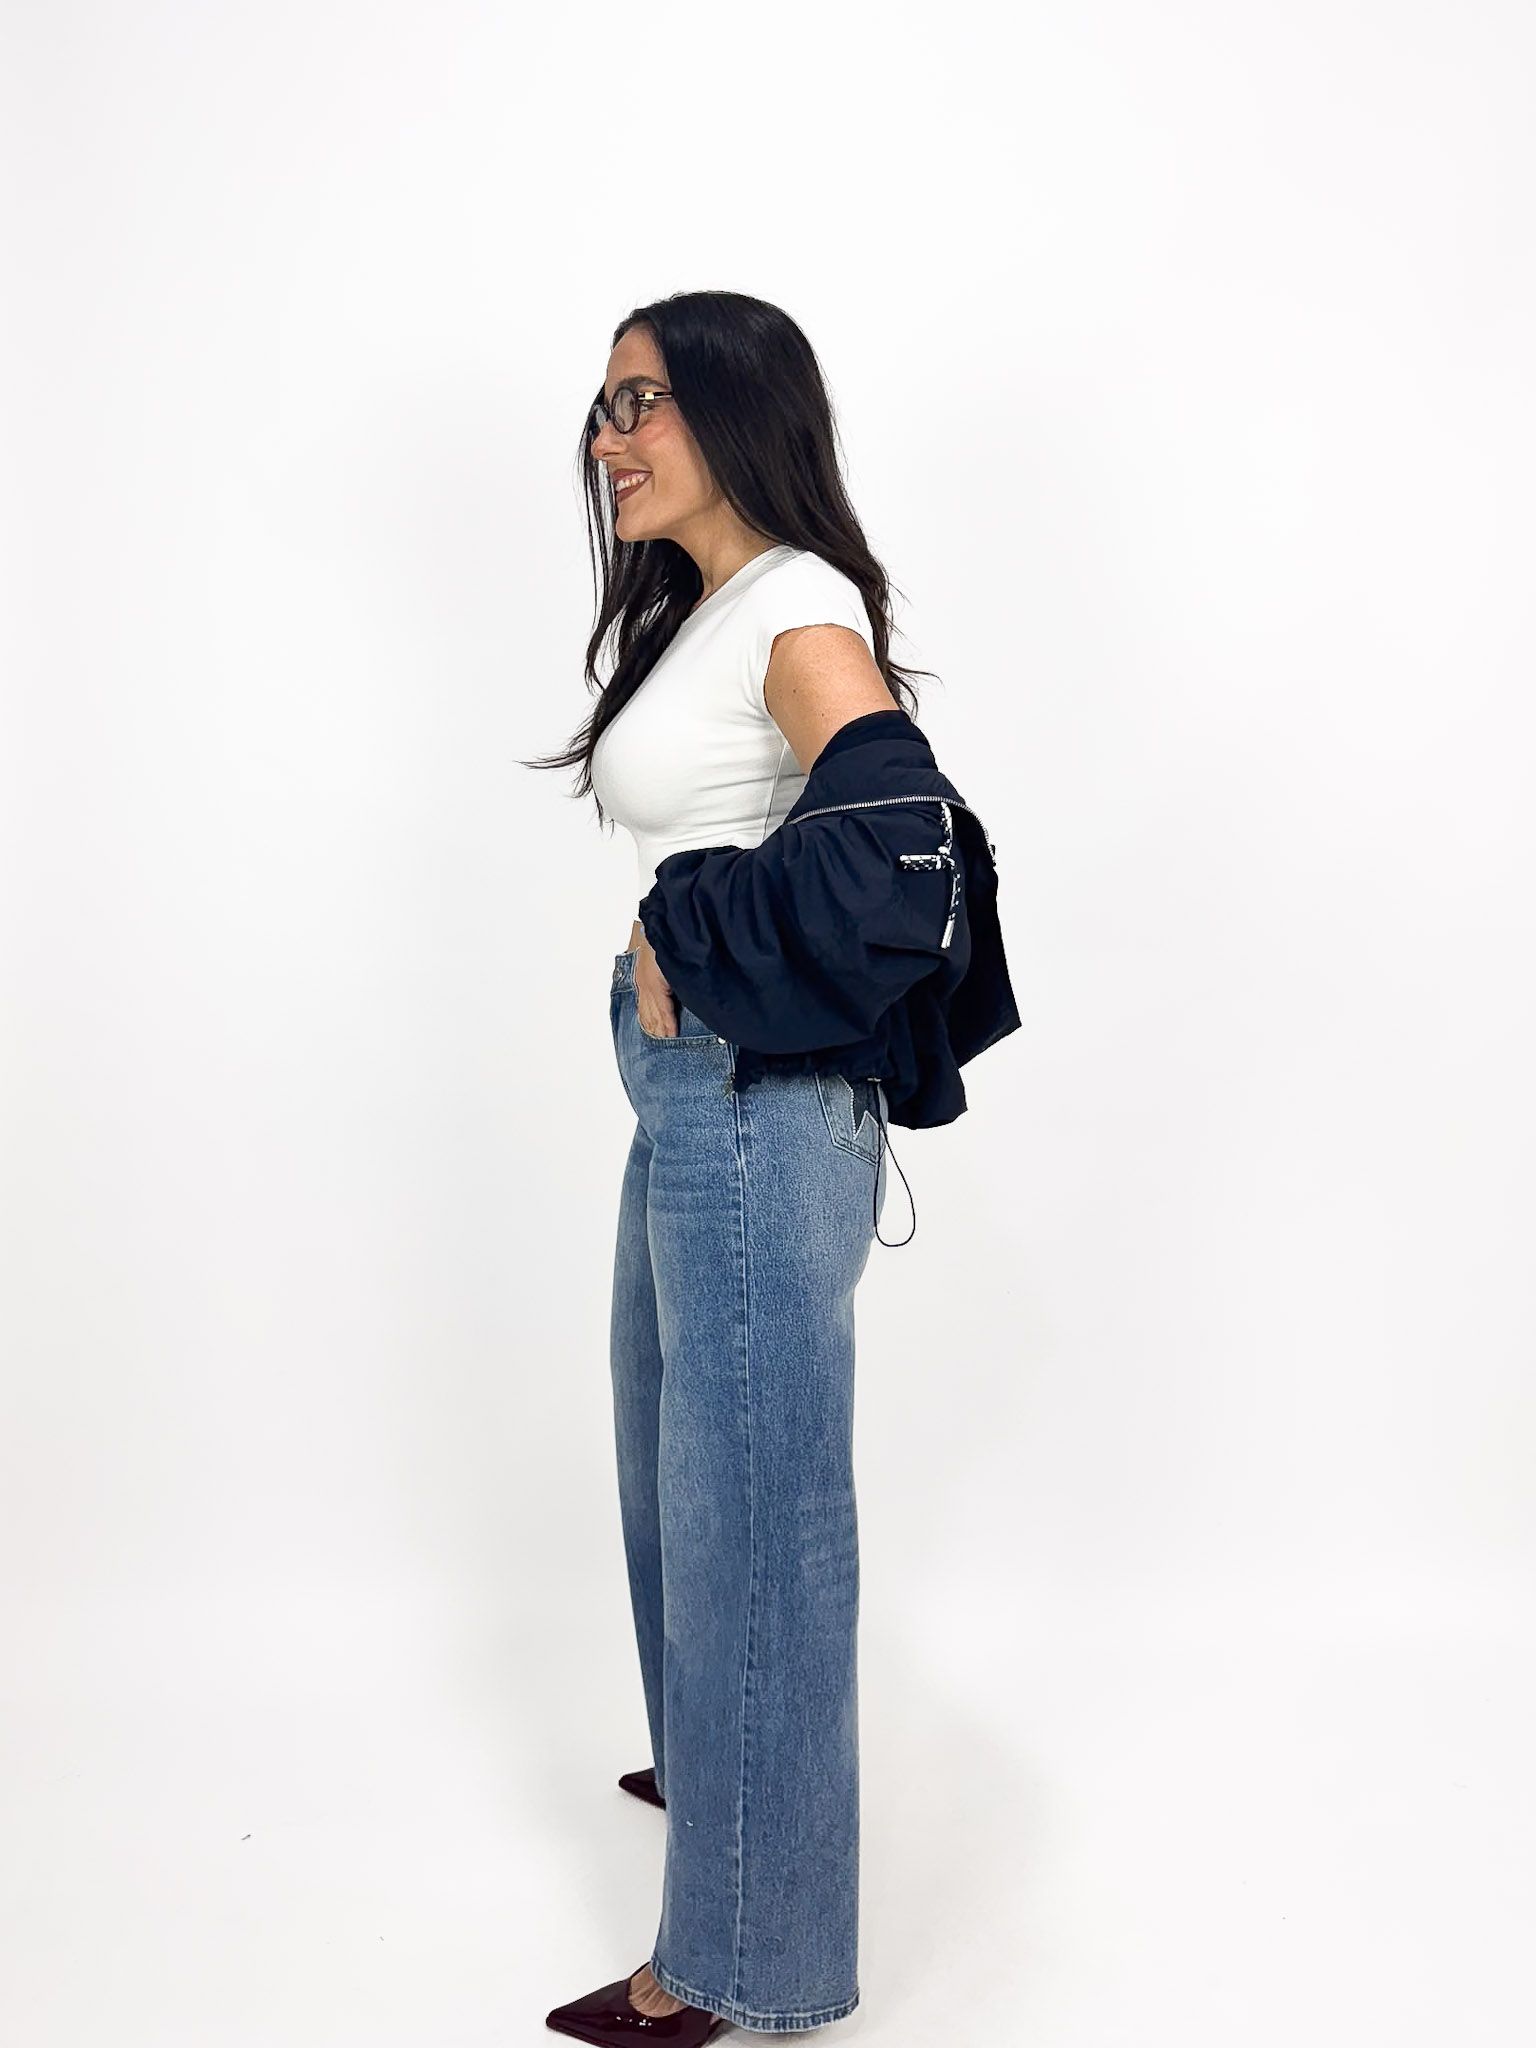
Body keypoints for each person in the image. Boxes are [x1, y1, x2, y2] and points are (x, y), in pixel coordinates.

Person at [523, 290, 1018, 2044]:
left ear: (740, 411)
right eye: (602, 407)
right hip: (695, 1089)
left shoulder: (797, 604)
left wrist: (689, 917)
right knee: (667, 1447)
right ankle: (733, 1769)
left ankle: (747, 1952)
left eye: (644, 401)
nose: (611, 438)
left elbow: (899, 844)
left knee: (754, 1504)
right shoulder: (717, 608)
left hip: (753, 1097)